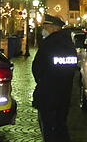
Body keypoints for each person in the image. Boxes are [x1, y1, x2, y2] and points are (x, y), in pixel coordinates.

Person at [32, 14, 78, 142]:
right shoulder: (70, 45)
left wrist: (42, 81)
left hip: (48, 92)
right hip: (65, 92)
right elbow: (73, 68)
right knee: (61, 124)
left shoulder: (48, 44)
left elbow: (37, 68)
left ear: (53, 28)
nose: (43, 30)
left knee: (48, 127)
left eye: (45, 27)